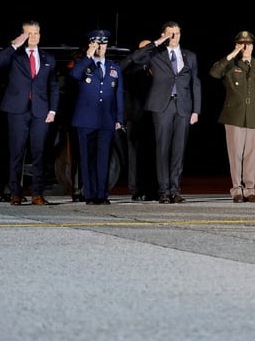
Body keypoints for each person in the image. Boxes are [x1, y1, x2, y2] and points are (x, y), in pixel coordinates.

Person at [129, 22, 201, 204]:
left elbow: (196, 83)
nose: (174, 37)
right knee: (162, 149)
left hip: (183, 107)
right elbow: (135, 59)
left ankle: (175, 190)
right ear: (164, 35)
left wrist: (196, 110)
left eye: (177, 33)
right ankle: (163, 190)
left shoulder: (189, 56)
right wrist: (156, 43)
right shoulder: (156, 54)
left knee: (179, 150)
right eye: (170, 34)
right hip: (163, 106)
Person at [0, 21, 59, 206]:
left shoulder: (48, 58)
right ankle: (15, 192)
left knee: (39, 153)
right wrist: (15, 45)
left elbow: (53, 86)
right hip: (17, 110)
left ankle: (37, 193)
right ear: (22, 35)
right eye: (29, 33)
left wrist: (52, 110)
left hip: (40, 111)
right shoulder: (15, 55)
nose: (34, 37)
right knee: (16, 153)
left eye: (37, 33)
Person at [209, 30, 255, 203]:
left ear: (253, 46)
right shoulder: (230, 65)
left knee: (251, 155)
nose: (246, 47)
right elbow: (214, 73)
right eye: (242, 44)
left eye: (249, 44)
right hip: (234, 117)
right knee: (235, 155)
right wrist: (233, 54)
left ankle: (249, 190)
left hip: (254, 116)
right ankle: (237, 190)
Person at [69, 29, 124, 205]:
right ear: (91, 45)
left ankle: (102, 194)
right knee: (87, 158)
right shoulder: (83, 64)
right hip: (86, 120)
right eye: (97, 44)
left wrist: (119, 118)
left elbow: (119, 95)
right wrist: (88, 56)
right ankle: (90, 194)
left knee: (103, 158)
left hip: (106, 119)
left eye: (103, 44)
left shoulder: (114, 67)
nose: (100, 47)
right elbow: (75, 75)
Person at [120, 39, 159, 201]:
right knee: (135, 155)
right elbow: (122, 67)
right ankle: (136, 189)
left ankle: (152, 189)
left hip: (153, 115)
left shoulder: (157, 65)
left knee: (153, 154)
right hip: (135, 117)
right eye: (145, 49)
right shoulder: (131, 68)